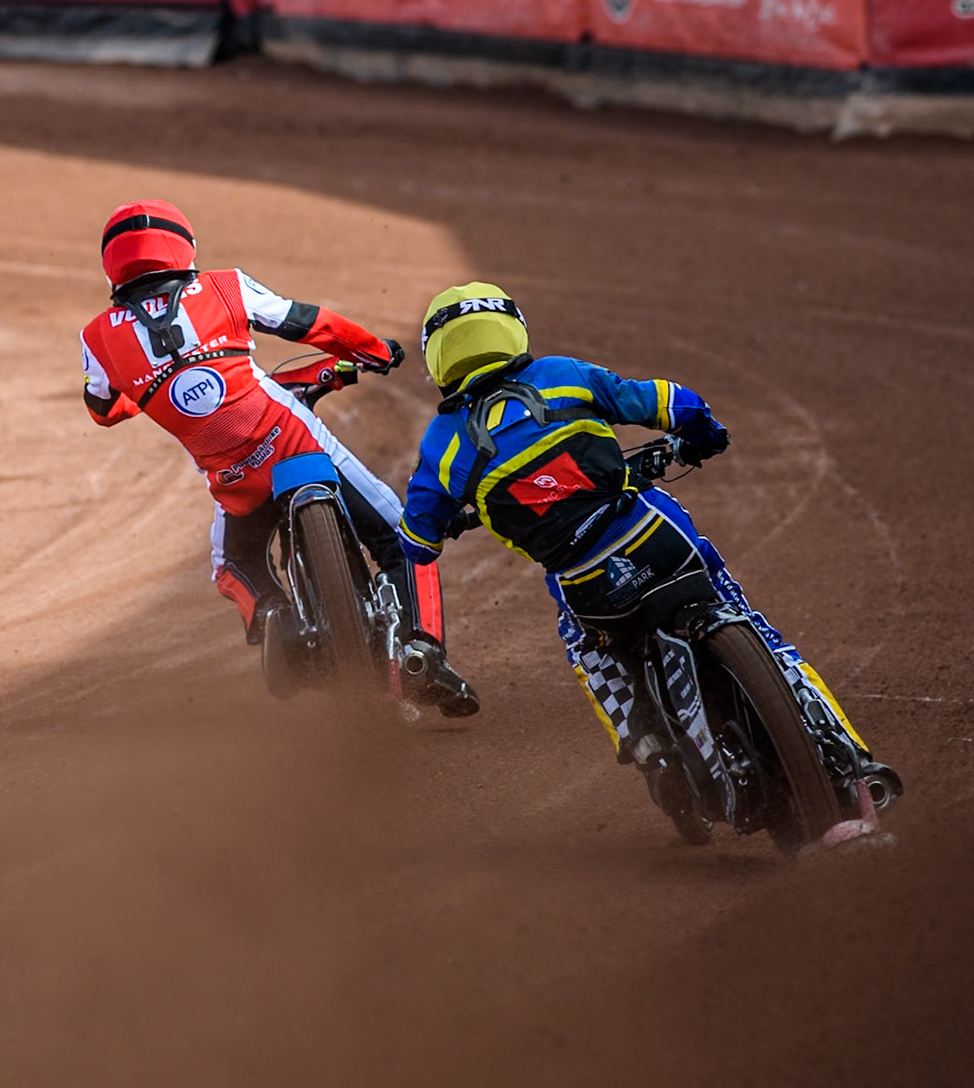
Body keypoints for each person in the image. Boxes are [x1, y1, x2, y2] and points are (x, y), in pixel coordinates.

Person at [396, 282, 898, 811]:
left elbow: (417, 541)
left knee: (585, 646)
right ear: (511, 328)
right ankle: (854, 759)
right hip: (657, 538)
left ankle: (649, 748)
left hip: (585, 583)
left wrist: (453, 518)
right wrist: (703, 433)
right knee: (755, 627)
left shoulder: (442, 442)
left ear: (438, 356)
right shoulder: (562, 375)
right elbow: (668, 401)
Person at [78, 200, 478, 712]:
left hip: (234, 480)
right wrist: (374, 350)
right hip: (295, 440)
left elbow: (104, 410)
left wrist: (148, 387)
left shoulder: (97, 336)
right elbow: (307, 323)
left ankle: (273, 616)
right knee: (401, 535)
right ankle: (425, 650)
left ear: (112, 264)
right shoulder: (225, 285)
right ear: (185, 247)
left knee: (231, 565)